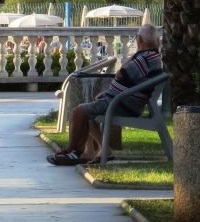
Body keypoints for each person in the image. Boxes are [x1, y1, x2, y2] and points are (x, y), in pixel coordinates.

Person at [48, 24, 163, 165]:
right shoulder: (153, 56)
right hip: (124, 101)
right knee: (87, 111)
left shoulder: (144, 58)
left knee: (79, 112)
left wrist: (110, 94)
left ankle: (71, 151)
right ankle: (94, 151)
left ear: (139, 39)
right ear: (156, 40)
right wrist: (108, 94)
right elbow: (128, 81)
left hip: (123, 104)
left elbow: (121, 74)